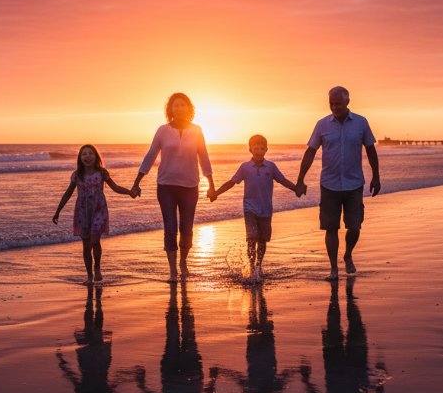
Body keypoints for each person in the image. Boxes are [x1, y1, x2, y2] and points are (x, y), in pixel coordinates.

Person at [295, 86, 380, 280]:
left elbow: (370, 150)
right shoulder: (322, 125)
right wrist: (300, 179)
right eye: (331, 103)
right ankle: (333, 269)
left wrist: (376, 176)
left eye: (338, 103)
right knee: (330, 227)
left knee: (355, 226)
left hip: (354, 184)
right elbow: (310, 152)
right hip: (329, 185)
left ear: (347, 102)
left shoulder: (361, 123)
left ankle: (348, 254)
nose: (335, 107)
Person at [131, 93, 215, 280]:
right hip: (166, 186)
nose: (178, 108)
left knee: (186, 228)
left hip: (190, 187)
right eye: (175, 106)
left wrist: (211, 185)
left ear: (188, 108)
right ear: (170, 110)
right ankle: (172, 270)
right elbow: (150, 156)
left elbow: (204, 157)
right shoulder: (162, 130)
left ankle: (183, 261)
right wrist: (137, 182)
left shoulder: (197, 130)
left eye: (182, 105)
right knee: (170, 228)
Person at [210, 134, 297, 280]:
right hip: (250, 209)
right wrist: (217, 192)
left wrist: (297, 188)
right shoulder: (245, 167)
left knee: (262, 241)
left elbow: (283, 180)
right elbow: (232, 182)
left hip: (266, 209)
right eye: (256, 148)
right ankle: (251, 268)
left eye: (262, 148)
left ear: (266, 150)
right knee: (251, 238)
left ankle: (258, 266)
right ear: (250, 149)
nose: (259, 151)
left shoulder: (271, 166)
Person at [53, 144, 132, 282]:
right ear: (80, 158)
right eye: (84, 154)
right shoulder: (77, 175)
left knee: (95, 241)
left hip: (99, 210)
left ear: (96, 156)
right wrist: (58, 211)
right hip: (82, 212)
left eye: (90, 153)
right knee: (86, 246)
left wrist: (130, 192)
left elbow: (115, 187)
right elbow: (67, 194)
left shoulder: (102, 173)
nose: (87, 156)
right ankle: (89, 276)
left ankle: (97, 268)